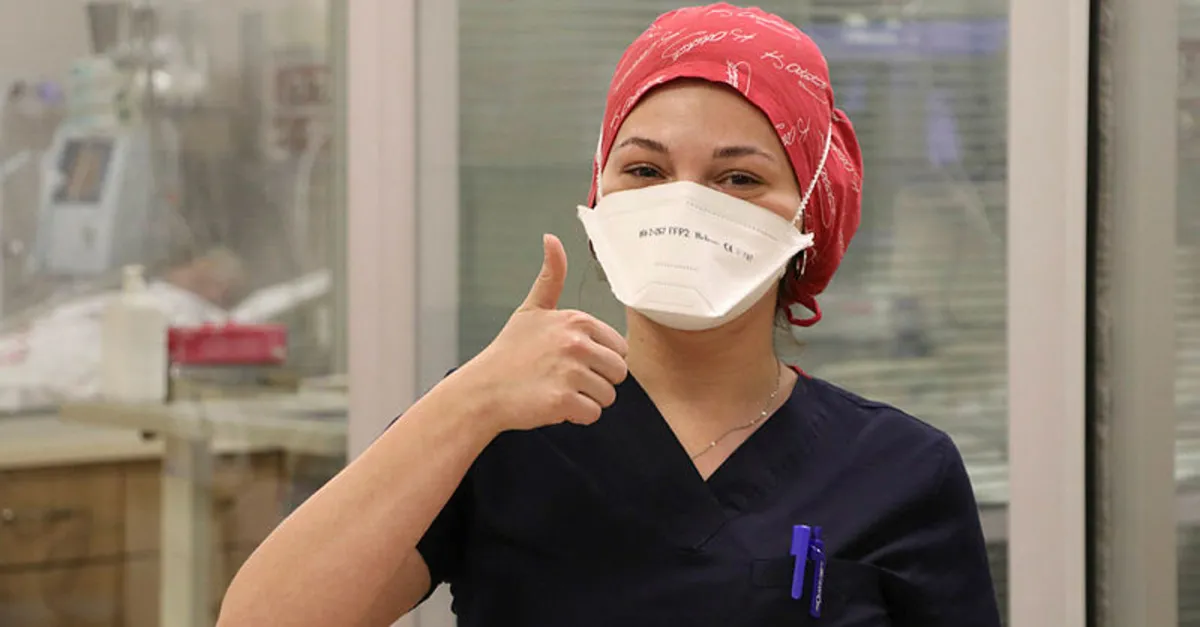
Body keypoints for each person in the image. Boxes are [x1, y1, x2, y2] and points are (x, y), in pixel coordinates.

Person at [217, 5, 1001, 626]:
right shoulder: (505, 429)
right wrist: (468, 401)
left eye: (738, 178)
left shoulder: (900, 470)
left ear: (810, 214)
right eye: (645, 169)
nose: (683, 203)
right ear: (600, 195)